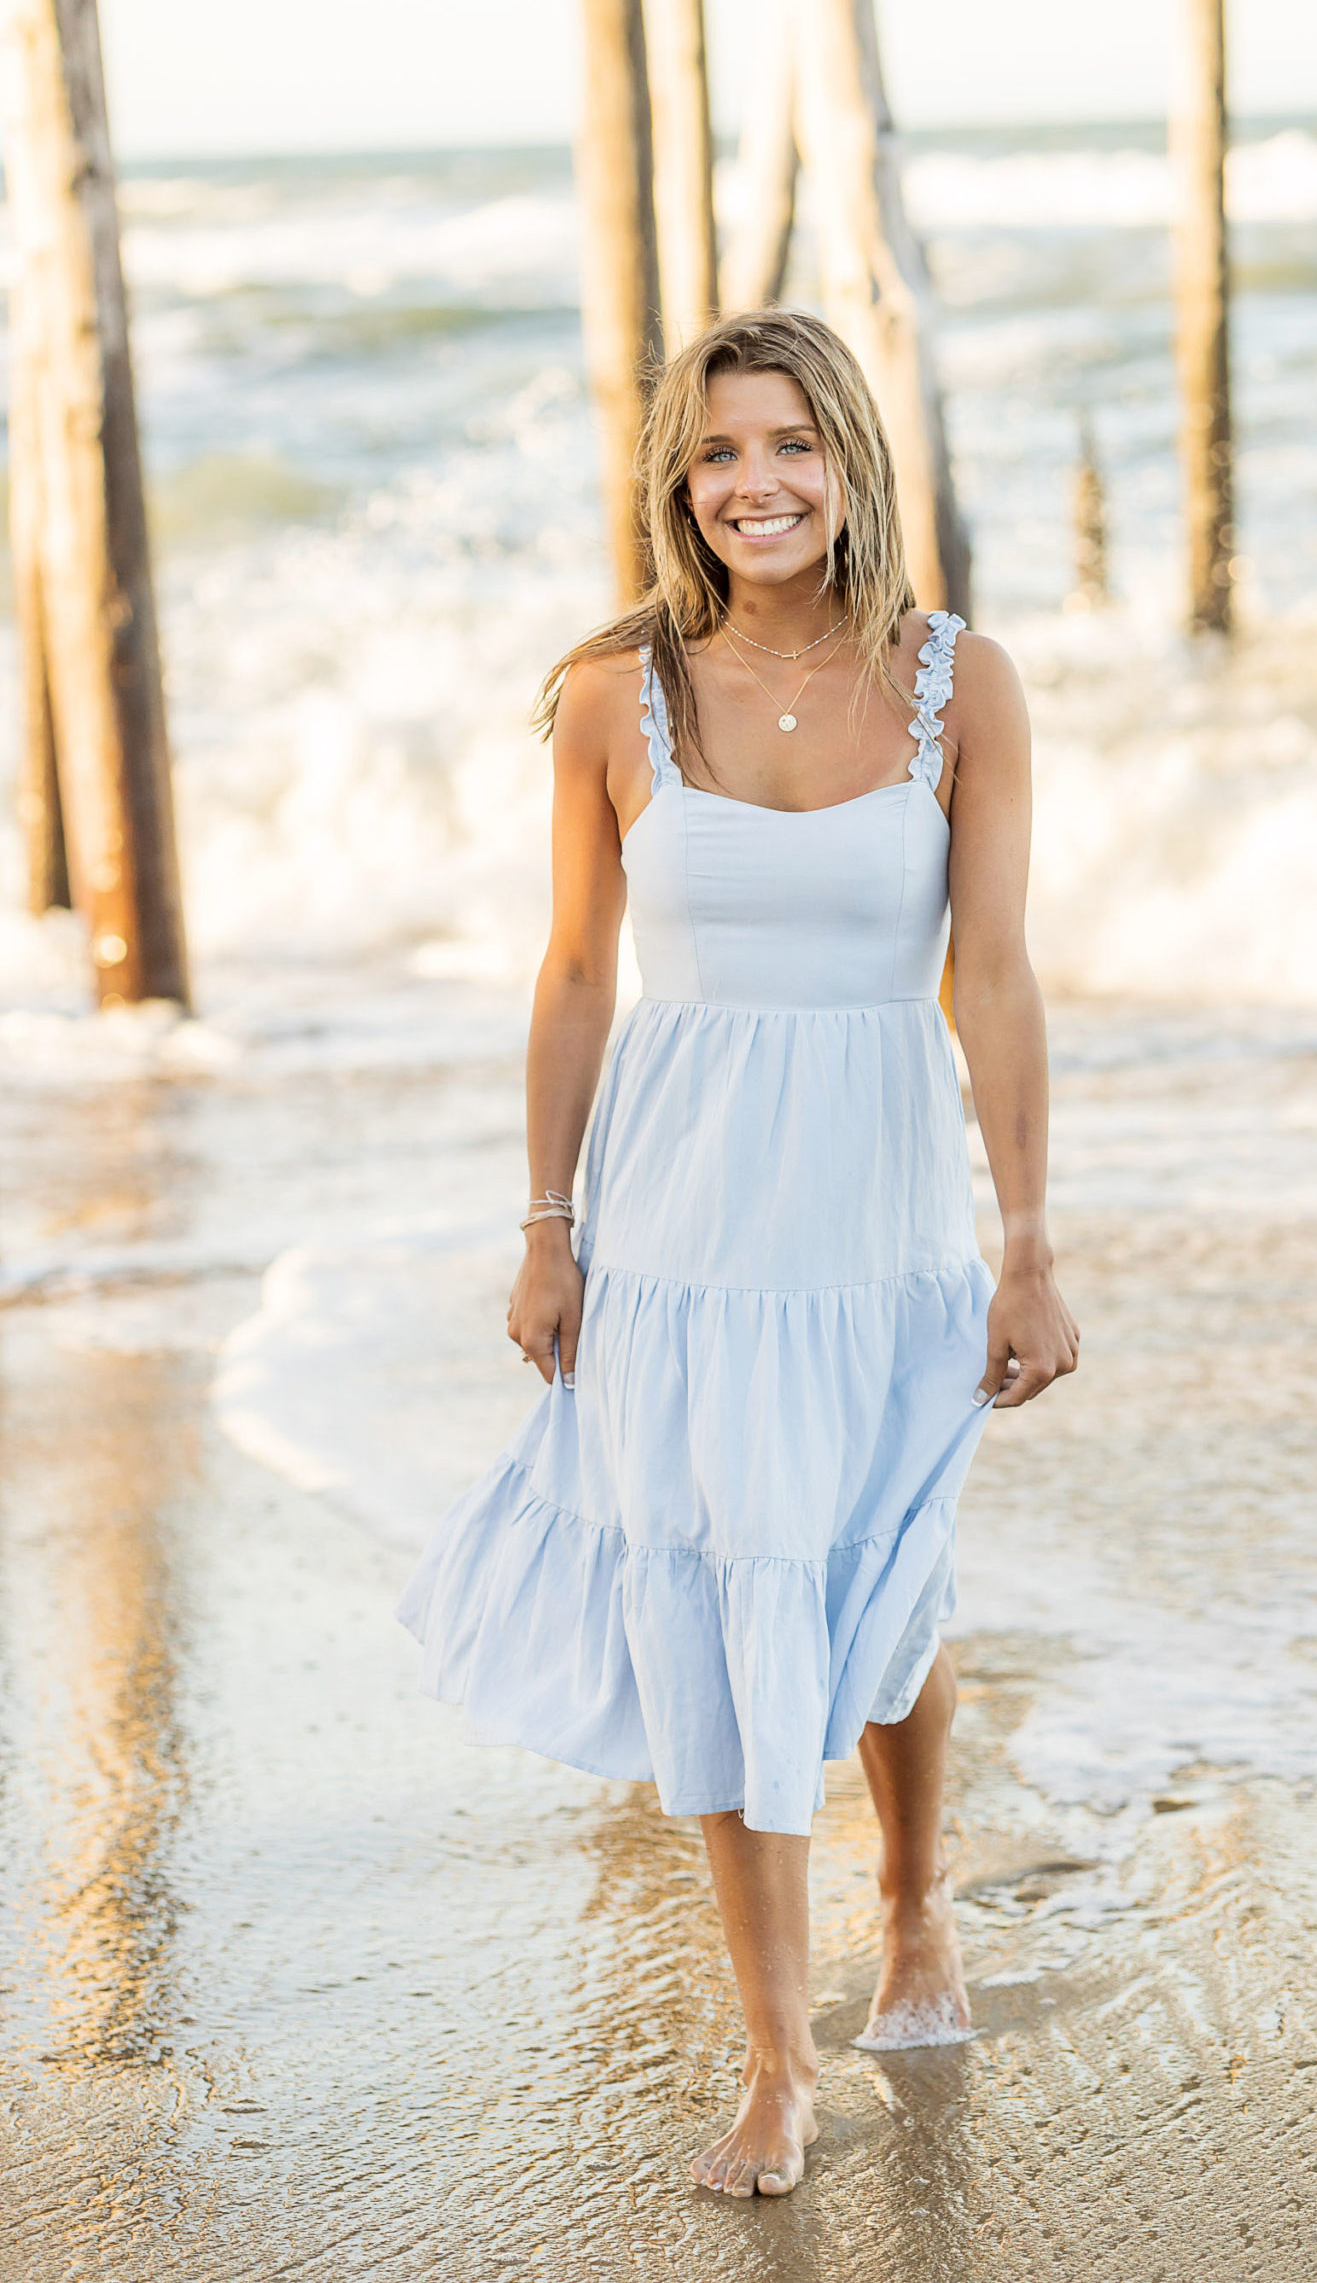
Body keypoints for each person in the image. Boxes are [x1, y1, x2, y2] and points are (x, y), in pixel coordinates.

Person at [399, 309, 1078, 2199]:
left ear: (851, 458)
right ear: (675, 482)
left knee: (879, 1586)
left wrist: (1027, 1242)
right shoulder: (616, 695)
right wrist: (547, 1230)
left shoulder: (963, 682)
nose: (752, 484)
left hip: (877, 1223)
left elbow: (998, 976)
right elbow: (572, 975)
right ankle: (777, 2062)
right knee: (722, 1607)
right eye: (714, 455)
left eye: (787, 445)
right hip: (681, 1233)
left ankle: (917, 1900)